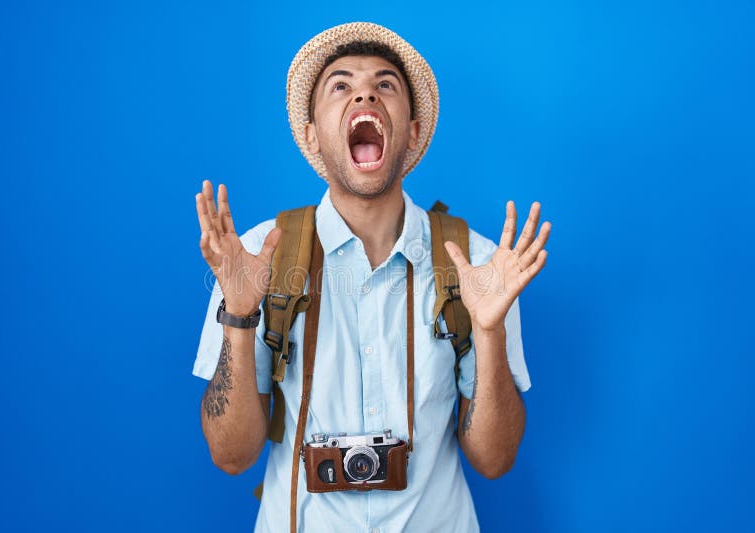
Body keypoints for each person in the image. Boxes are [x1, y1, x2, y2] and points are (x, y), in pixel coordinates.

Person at [192, 22, 551, 532]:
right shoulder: (253, 258)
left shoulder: (478, 264)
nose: (365, 92)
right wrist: (240, 317)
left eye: (386, 85)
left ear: (413, 129)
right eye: (340, 85)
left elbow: (495, 461)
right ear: (313, 133)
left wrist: (488, 331)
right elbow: (231, 456)